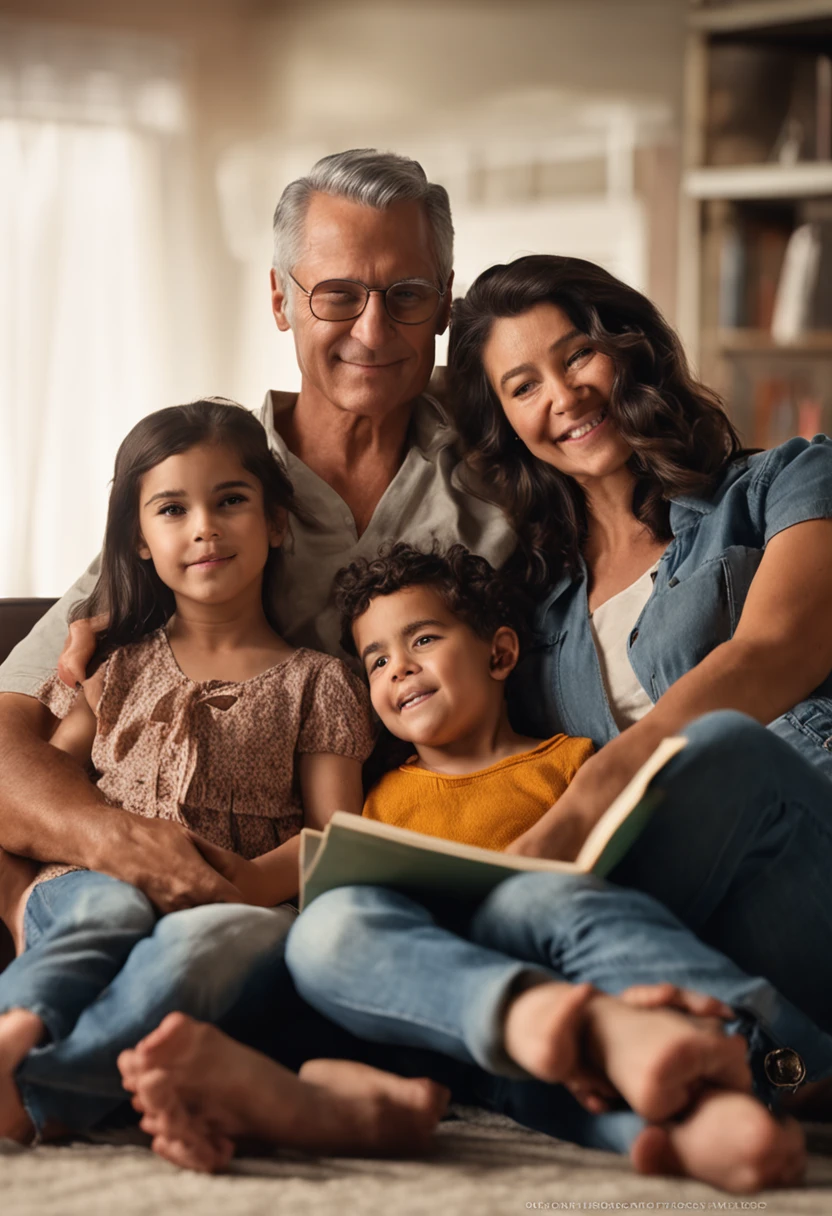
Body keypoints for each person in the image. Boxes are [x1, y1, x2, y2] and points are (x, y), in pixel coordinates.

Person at [0, 148, 513, 917]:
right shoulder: (203, 495)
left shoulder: (510, 483)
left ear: (444, 302)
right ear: (280, 300)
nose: (372, 331)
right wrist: (106, 853)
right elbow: (13, 729)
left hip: (412, 871)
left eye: (404, 295)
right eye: (337, 295)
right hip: (173, 886)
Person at [284, 542, 832, 1190]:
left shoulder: (574, 766)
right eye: (377, 660)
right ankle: (709, 1104)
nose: (399, 668)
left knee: (541, 904)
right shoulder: (377, 802)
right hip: (461, 995)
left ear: (500, 654)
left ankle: (740, 1086)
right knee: (326, 933)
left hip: (575, 951)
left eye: (422, 639)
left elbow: (623, 880)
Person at [0, 399, 456, 1154]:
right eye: (172, 510)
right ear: (141, 543)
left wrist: (242, 887)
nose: (204, 527)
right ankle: (18, 1034)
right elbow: (38, 782)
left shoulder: (321, 683)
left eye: (231, 501)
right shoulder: (115, 668)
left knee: (218, 941)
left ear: (278, 523)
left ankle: (40, 1090)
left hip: (229, 899)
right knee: (111, 910)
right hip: (90, 883)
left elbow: (332, 835)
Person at [447, 254, 832, 864]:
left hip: (790, 837)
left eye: (577, 356)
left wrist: (594, 792)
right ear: (505, 424)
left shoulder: (789, 480)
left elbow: (775, 651)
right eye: (524, 387)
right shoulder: (528, 610)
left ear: (631, 348)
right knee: (342, 921)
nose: (565, 397)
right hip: (645, 873)